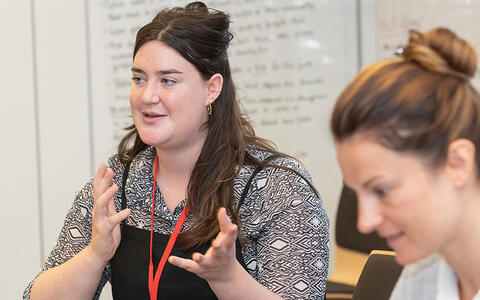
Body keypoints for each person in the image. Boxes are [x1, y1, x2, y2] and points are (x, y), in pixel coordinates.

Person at [24, 2, 329, 299]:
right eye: (138, 79)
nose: (147, 96)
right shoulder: (119, 181)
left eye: (168, 81)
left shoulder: (277, 188)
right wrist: (94, 255)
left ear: (212, 89)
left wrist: (228, 279)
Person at [331, 27, 480, 300]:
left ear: (457, 163)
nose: (365, 223)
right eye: (357, 193)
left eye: (382, 190)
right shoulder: (421, 274)